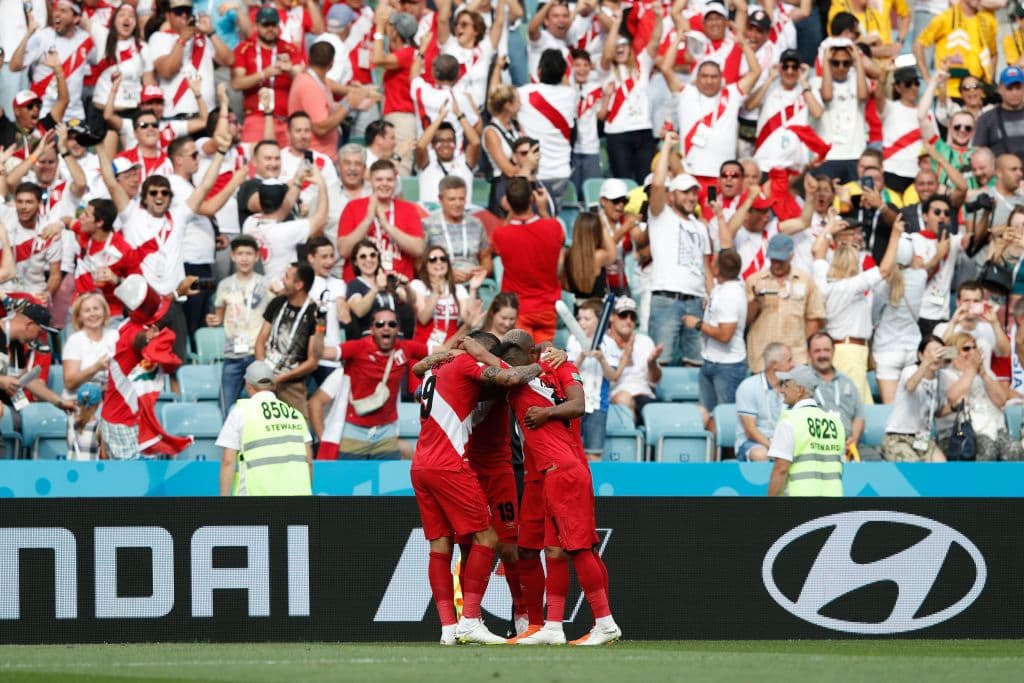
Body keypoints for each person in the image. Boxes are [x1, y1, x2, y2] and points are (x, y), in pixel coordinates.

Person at [487, 329, 622, 646]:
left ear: (532, 353)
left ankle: (603, 621)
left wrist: (546, 408)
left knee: (579, 547)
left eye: (514, 354)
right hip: (542, 473)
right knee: (543, 548)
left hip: (564, 466)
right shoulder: (530, 372)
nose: (509, 361)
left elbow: (578, 404)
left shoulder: (561, 367)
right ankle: (546, 625)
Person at [410, 331, 540, 646]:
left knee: (488, 546)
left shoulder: (436, 371)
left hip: (431, 465)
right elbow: (510, 378)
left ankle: (452, 628)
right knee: (483, 540)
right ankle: (469, 619)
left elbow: (417, 381)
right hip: (454, 465)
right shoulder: (471, 369)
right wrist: (541, 366)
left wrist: (437, 356)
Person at [812, 213, 902, 403]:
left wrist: (829, 228)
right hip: (851, 352)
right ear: (851, 264)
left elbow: (817, 252)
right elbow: (885, 270)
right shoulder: (851, 286)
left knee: (858, 405)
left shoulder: (823, 282)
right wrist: (895, 235)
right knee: (853, 407)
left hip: (841, 349)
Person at [641, 132, 713, 367]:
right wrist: (667, 147)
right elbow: (659, 183)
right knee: (658, 361)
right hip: (666, 297)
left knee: (695, 362)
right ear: (671, 196)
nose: (692, 197)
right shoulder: (661, 216)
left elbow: (706, 266)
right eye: (685, 192)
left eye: (694, 192)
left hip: (696, 299)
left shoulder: (700, 226)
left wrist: (710, 296)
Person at [318, 307, 427, 459]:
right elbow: (321, 353)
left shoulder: (405, 348)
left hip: (386, 433)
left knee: (389, 482)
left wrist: (466, 327)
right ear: (372, 329)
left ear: (398, 329)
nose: (386, 328)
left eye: (391, 324)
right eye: (380, 324)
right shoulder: (358, 347)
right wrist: (319, 326)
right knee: (352, 482)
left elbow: (443, 351)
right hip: (354, 432)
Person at [216, 360, 313, 496]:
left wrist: (223, 500)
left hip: (257, 496)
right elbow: (308, 461)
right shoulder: (295, 414)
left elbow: (228, 461)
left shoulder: (240, 412)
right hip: (297, 497)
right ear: (273, 385)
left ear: (248, 385)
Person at [490, 177, 563, 342]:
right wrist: (543, 210)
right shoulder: (554, 227)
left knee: (522, 361)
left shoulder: (500, 234)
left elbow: (500, 237)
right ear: (532, 199)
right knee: (545, 361)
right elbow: (557, 234)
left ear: (508, 202)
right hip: (547, 307)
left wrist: (511, 212)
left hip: (519, 308)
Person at [746, 232, 826, 372]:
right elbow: (744, 321)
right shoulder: (754, 280)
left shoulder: (805, 280)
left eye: (781, 260)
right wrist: (756, 300)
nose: (776, 264)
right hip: (763, 358)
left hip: (796, 358)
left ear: (791, 256)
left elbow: (814, 317)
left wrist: (804, 347)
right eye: (773, 259)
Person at [597, 6, 660, 184]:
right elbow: (608, 53)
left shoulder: (642, 64)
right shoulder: (607, 71)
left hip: (643, 131)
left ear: (630, 47)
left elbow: (654, 42)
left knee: (645, 181)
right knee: (623, 183)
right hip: (618, 134)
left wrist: (660, 19)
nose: (619, 49)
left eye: (623, 45)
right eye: (616, 46)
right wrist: (616, 24)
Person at [937, 331, 1024, 461]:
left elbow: (1001, 401)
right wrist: (971, 370)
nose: (972, 352)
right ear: (954, 353)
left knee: (1015, 449)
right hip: (963, 433)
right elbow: (953, 398)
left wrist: (983, 372)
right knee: (987, 449)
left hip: (995, 428)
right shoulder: (946, 374)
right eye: (966, 349)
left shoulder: (986, 372)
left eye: (974, 347)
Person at [207, 234, 269, 416]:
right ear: (233, 256)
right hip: (232, 354)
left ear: (257, 257)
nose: (244, 258)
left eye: (249, 253)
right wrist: (214, 320)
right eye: (240, 253)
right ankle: (230, 443)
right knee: (225, 405)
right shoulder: (225, 285)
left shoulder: (266, 284)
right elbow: (218, 316)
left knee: (261, 407)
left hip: (257, 355)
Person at [242, 162, 329, 290]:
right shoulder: (286, 231)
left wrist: (298, 181)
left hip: (254, 290)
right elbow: (321, 219)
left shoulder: (250, 222)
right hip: (278, 292)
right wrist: (322, 185)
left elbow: (280, 211)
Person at [7, 0, 96, 123]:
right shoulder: (43, 37)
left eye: (63, 11)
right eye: (56, 9)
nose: (56, 14)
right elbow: (14, 66)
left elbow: (96, 61)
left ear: (76, 18)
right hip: (44, 114)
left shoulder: (85, 39)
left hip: (75, 115)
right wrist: (28, 34)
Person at [337, 159, 425, 281]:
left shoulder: (408, 209)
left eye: (389, 180)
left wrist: (386, 225)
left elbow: (418, 249)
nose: (385, 184)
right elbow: (344, 250)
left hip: (399, 284)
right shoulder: (353, 207)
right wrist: (368, 220)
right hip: (360, 286)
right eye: (379, 180)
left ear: (395, 182)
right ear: (370, 182)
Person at [766, 364, 845, 497]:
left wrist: (767, 504)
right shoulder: (835, 422)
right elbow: (840, 466)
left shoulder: (789, 420)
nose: (781, 390)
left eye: (786, 385)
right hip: (833, 502)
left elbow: (781, 468)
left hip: (799, 502)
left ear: (800, 390)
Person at [232, 5, 305, 146]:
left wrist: (290, 70)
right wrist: (264, 74)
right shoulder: (244, 49)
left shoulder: (289, 48)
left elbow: (303, 82)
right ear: (256, 25)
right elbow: (236, 84)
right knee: (255, 163)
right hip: (256, 118)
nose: (270, 29)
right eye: (265, 24)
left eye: (273, 24)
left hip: (285, 120)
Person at [147, 0, 232, 119]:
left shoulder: (203, 38)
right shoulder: (159, 38)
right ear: (168, 15)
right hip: (178, 114)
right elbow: (166, 71)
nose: (184, 15)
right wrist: (181, 41)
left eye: (187, 11)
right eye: (178, 11)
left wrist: (211, 33)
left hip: (208, 114)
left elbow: (229, 61)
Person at [686, 248, 747, 413]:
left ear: (718, 269)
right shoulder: (723, 287)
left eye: (713, 262)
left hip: (727, 367)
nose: (711, 264)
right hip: (711, 360)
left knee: (724, 418)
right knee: (705, 414)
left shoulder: (730, 294)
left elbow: (725, 335)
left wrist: (697, 324)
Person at [254, 262, 318, 416]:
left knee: (300, 436)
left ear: (299, 285)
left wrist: (282, 378)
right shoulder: (277, 302)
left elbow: (312, 362)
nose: (283, 279)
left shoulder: (314, 313)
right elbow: (260, 341)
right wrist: (263, 372)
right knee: (263, 431)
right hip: (265, 381)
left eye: (287, 277)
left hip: (292, 385)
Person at [517, 48, 576, 210]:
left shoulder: (523, 93)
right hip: (561, 173)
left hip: (536, 173)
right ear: (564, 72)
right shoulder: (571, 95)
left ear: (539, 71)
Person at [872, 232, 927, 404]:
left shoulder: (882, 284)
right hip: (912, 349)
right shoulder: (921, 277)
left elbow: (873, 317)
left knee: (890, 412)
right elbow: (920, 264)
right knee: (911, 408)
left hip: (886, 351)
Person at [881, 336, 950, 462]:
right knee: (916, 470)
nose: (936, 356)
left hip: (922, 437)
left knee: (942, 468)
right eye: (931, 352)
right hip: (899, 436)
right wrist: (926, 364)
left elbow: (938, 412)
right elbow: (910, 386)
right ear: (921, 355)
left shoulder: (941, 378)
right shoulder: (910, 370)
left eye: (940, 352)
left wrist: (954, 407)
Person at [0, 302, 75, 416]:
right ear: (29, 324)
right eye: (39, 332)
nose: (38, 338)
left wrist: (59, 402)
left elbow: (27, 379)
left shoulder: (16, 344)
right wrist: (2, 381)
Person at [566, 298, 616, 462]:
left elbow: (613, 376)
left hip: (597, 405)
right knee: (571, 453)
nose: (582, 323)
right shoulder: (573, 341)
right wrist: (580, 357)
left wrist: (601, 358)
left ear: (599, 320)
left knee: (593, 454)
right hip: (574, 403)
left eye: (587, 319)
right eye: (579, 318)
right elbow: (568, 373)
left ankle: (594, 485)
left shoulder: (609, 343)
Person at [410, 245, 478, 351]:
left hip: (450, 346)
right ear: (425, 264)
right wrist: (436, 292)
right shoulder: (418, 285)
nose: (439, 262)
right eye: (433, 259)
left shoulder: (458, 288)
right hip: (424, 347)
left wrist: (473, 289)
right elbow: (423, 318)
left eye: (443, 259)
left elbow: (466, 318)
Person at [423, 176, 491, 282]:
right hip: (440, 283)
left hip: (474, 283)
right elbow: (419, 265)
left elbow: (486, 259)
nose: (458, 204)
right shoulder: (427, 225)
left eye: (461, 199)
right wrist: (446, 273)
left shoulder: (476, 224)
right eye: (452, 199)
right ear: (440, 200)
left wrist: (482, 271)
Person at [605, 296, 661, 426]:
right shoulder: (603, 343)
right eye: (623, 315)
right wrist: (624, 358)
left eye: (632, 317)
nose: (628, 320)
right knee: (623, 398)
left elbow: (655, 381)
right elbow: (605, 382)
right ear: (612, 317)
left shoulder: (644, 341)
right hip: (617, 398)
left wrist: (652, 364)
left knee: (700, 413)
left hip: (645, 397)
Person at [806, 331, 865, 456]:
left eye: (826, 350)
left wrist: (853, 438)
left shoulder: (847, 381)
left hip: (849, 446)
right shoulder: (802, 383)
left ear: (833, 351)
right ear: (809, 354)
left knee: (874, 460)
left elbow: (859, 415)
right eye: (817, 351)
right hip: (815, 447)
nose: (822, 355)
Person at [735, 342, 793, 462]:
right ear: (774, 365)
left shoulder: (792, 387)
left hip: (782, 443)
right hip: (753, 443)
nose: (793, 365)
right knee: (761, 455)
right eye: (789, 360)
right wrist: (775, 449)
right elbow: (751, 431)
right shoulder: (748, 386)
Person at [307, 236, 349, 386]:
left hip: (330, 356)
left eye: (332, 256)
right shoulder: (302, 282)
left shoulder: (339, 284)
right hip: (305, 357)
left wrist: (342, 306)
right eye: (324, 257)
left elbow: (345, 318)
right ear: (311, 258)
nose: (330, 262)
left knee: (331, 408)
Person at [561, 212, 615, 300]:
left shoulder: (568, 255)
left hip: (578, 308)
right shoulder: (598, 256)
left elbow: (564, 285)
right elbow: (612, 253)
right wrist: (603, 227)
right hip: (596, 308)